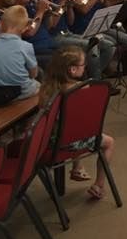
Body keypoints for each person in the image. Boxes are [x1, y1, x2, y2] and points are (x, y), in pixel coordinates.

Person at [38, 47, 117, 200]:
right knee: (108, 142)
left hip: (51, 141)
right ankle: (99, 185)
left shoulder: (46, 90)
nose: (85, 67)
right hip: (71, 142)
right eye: (83, 65)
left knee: (70, 127)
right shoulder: (83, 88)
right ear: (73, 70)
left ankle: (77, 167)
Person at [29, 0, 116, 82]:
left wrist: (69, 6)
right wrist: (62, 1)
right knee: (92, 47)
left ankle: (92, 76)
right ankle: (96, 81)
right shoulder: (38, 3)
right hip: (55, 37)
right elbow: (52, 26)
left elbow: (70, 22)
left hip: (67, 33)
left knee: (109, 46)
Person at [0, 5, 40, 99]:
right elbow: (34, 74)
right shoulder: (26, 46)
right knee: (39, 84)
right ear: (24, 28)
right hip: (20, 92)